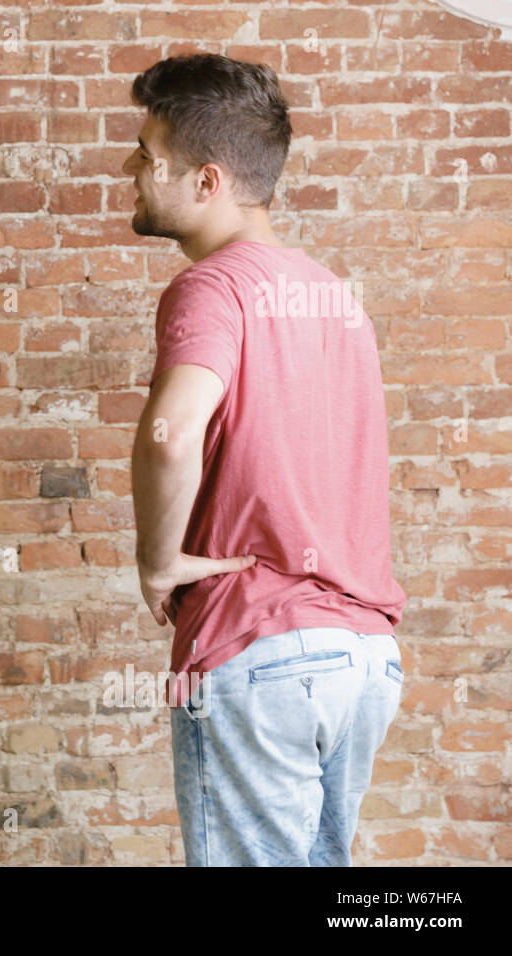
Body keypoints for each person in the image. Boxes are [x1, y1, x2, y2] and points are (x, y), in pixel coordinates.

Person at [125, 54, 407, 866]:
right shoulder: (335, 299)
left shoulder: (214, 287)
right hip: (363, 656)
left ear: (207, 181)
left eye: (149, 156)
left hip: (263, 649)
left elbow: (170, 433)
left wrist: (158, 561)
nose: (131, 168)